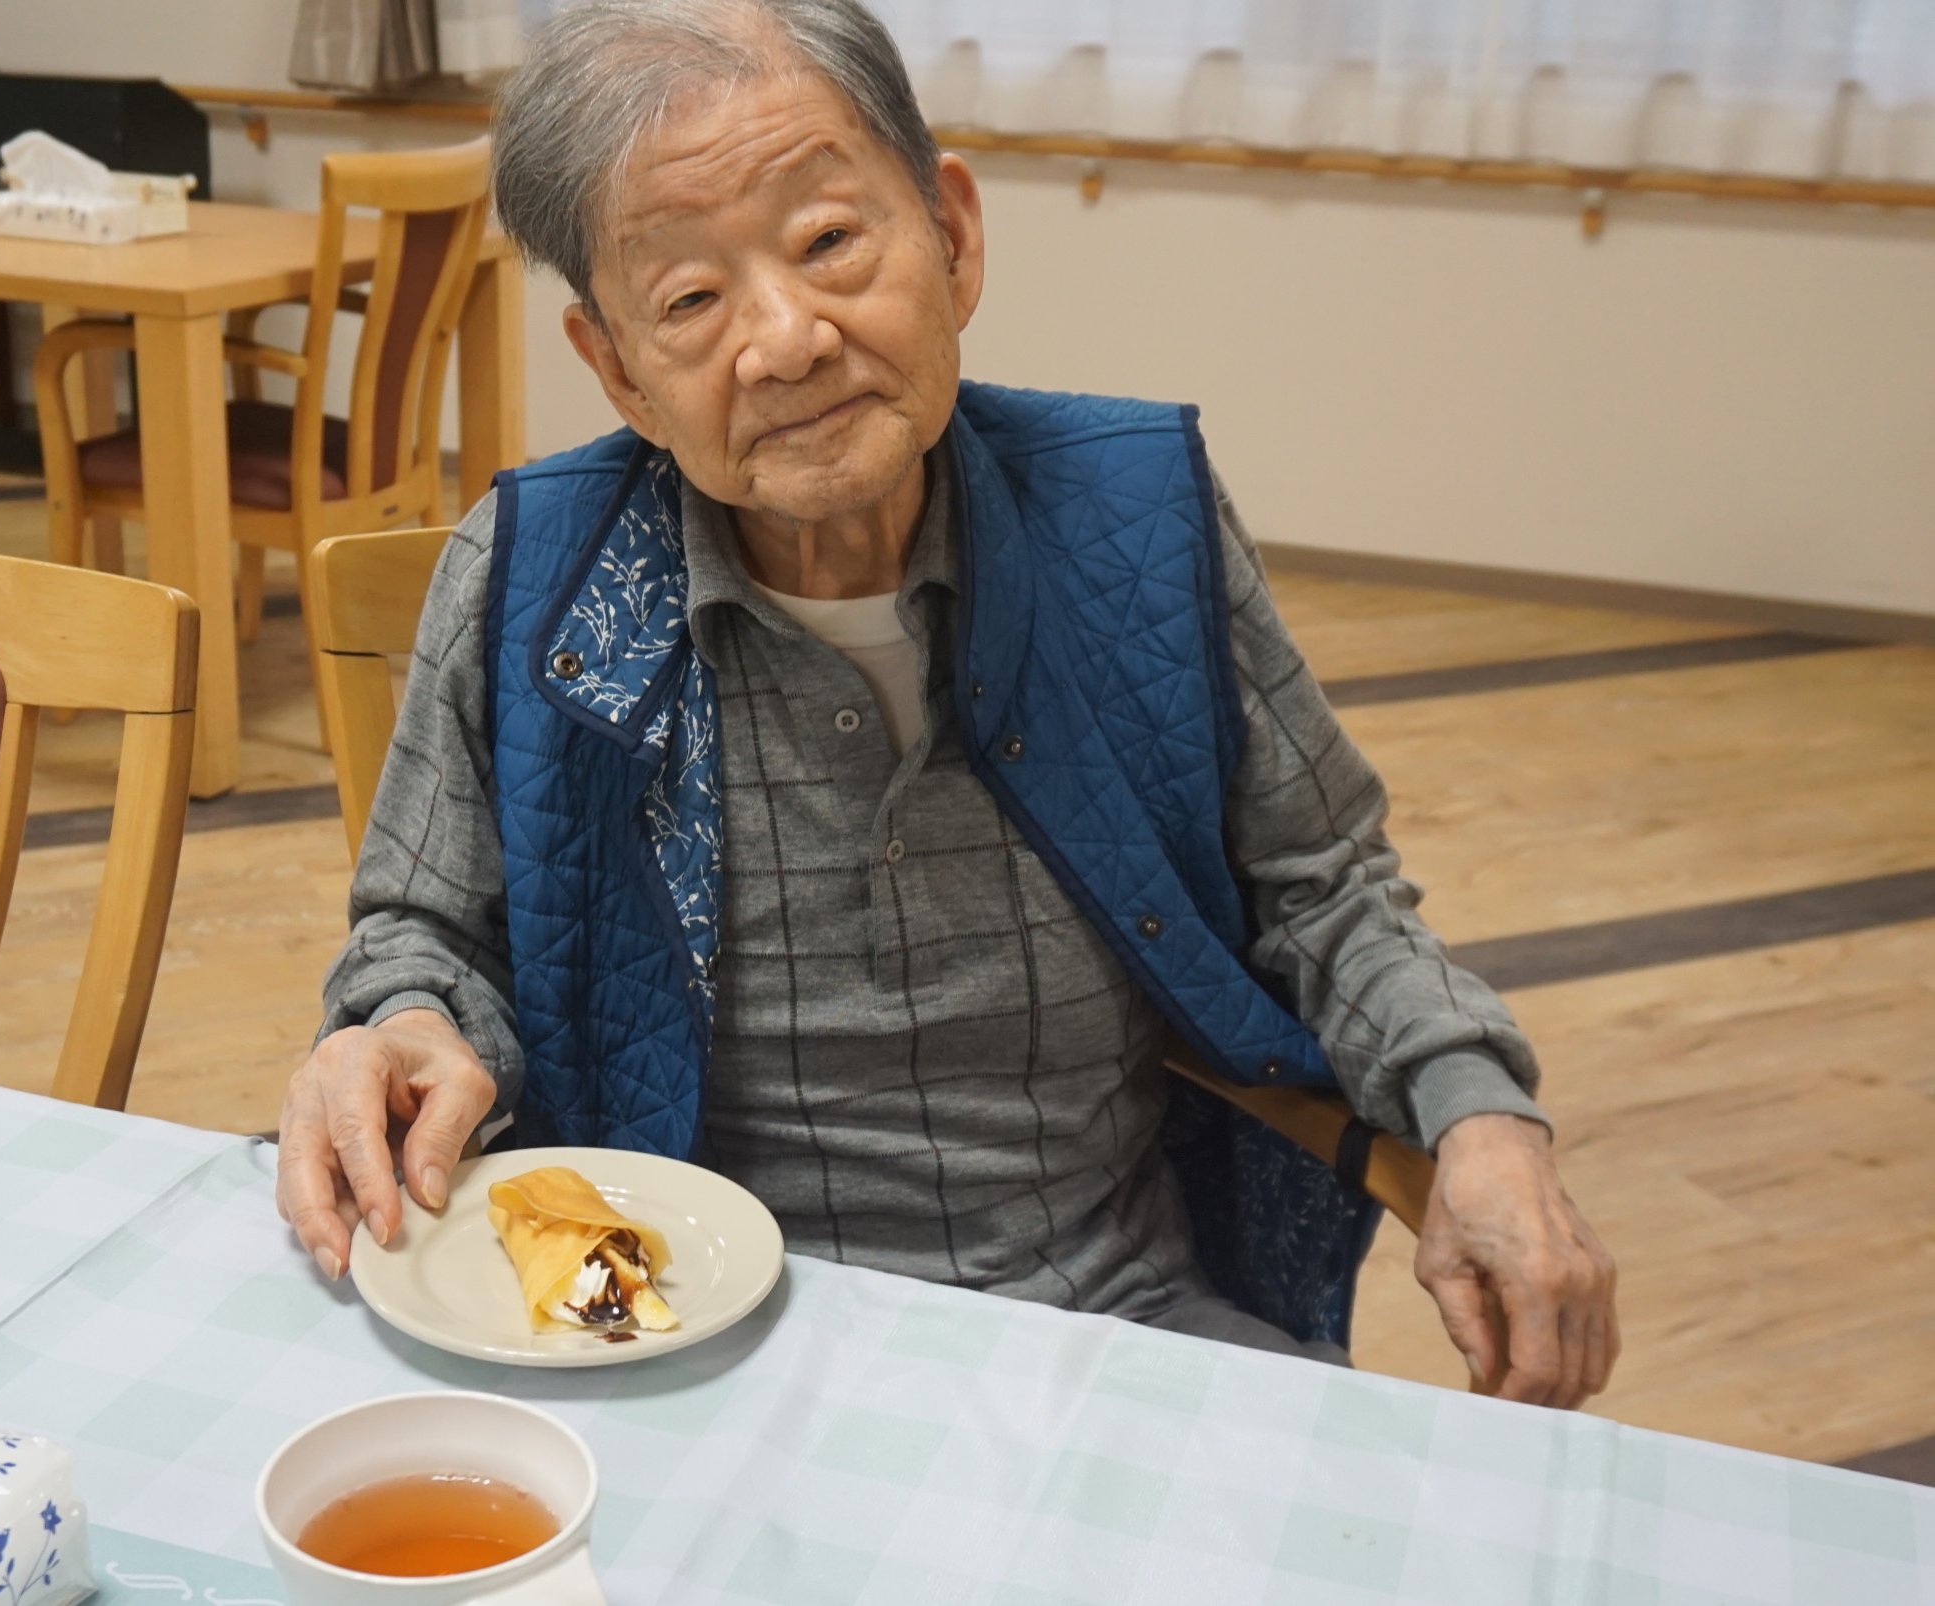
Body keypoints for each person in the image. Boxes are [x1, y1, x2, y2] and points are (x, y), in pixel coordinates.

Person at [277, 0, 1618, 1403]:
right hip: (672, 1337)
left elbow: (1322, 886)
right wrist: (404, 1027)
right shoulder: (535, 574)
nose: (786, 340)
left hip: (1108, 1323)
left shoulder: (1131, 517)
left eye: (827, 241)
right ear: (617, 370)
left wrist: (1480, 1117)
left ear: (953, 236)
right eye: (687, 301)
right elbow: (425, 935)